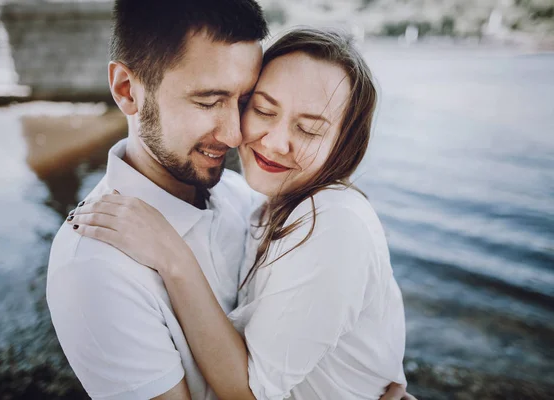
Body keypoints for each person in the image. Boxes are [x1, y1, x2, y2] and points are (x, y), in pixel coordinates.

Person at [66, 27, 412, 400]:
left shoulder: (332, 221)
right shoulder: (256, 202)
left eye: (309, 130)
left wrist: (174, 259)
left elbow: (249, 392)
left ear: (344, 145)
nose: (276, 142)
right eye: (262, 109)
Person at [47, 1, 267, 399]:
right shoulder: (94, 268)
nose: (235, 135)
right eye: (207, 101)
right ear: (127, 91)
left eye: (245, 99)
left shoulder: (237, 192)